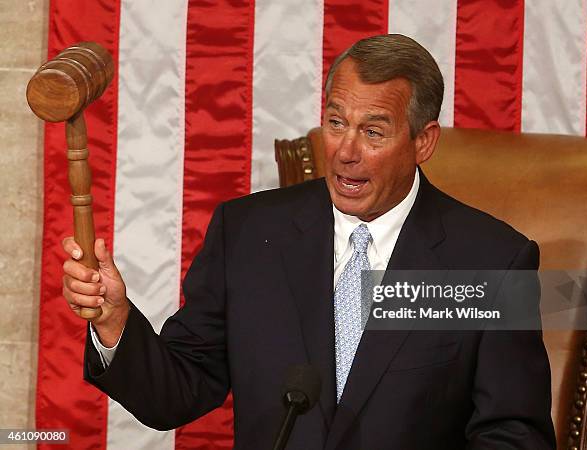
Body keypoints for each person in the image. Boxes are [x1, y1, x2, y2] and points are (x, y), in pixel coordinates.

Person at [61, 34, 556, 449]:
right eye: (336, 123)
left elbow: (514, 433)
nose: (345, 152)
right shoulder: (250, 234)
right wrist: (116, 322)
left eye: (374, 132)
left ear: (423, 142)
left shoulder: (492, 261)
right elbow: (176, 393)